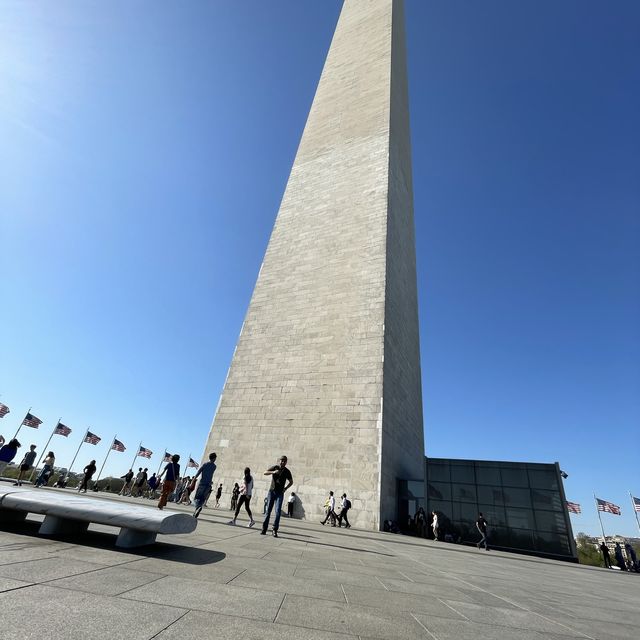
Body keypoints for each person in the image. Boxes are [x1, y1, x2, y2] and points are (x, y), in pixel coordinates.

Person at [261, 455, 293, 538]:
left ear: (286, 462)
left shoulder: (287, 471)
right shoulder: (275, 467)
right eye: (281, 460)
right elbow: (265, 472)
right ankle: (264, 529)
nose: (282, 462)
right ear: (279, 461)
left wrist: (285, 488)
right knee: (268, 511)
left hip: (280, 493)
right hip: (271, 492)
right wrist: (273, 472)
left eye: (284, 461)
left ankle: (274, 529)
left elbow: (291, 481)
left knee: (278, 512)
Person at [192, 452, 217, 518]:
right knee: (203, 499)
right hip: (208, 484)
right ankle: (197, 509)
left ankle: (197, 508)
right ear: (214, 458)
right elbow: (210, 475)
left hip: (202, 483)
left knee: (197, 498)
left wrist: (193, 481)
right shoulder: (214, 466)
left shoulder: (205, 464)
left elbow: (198, 472)